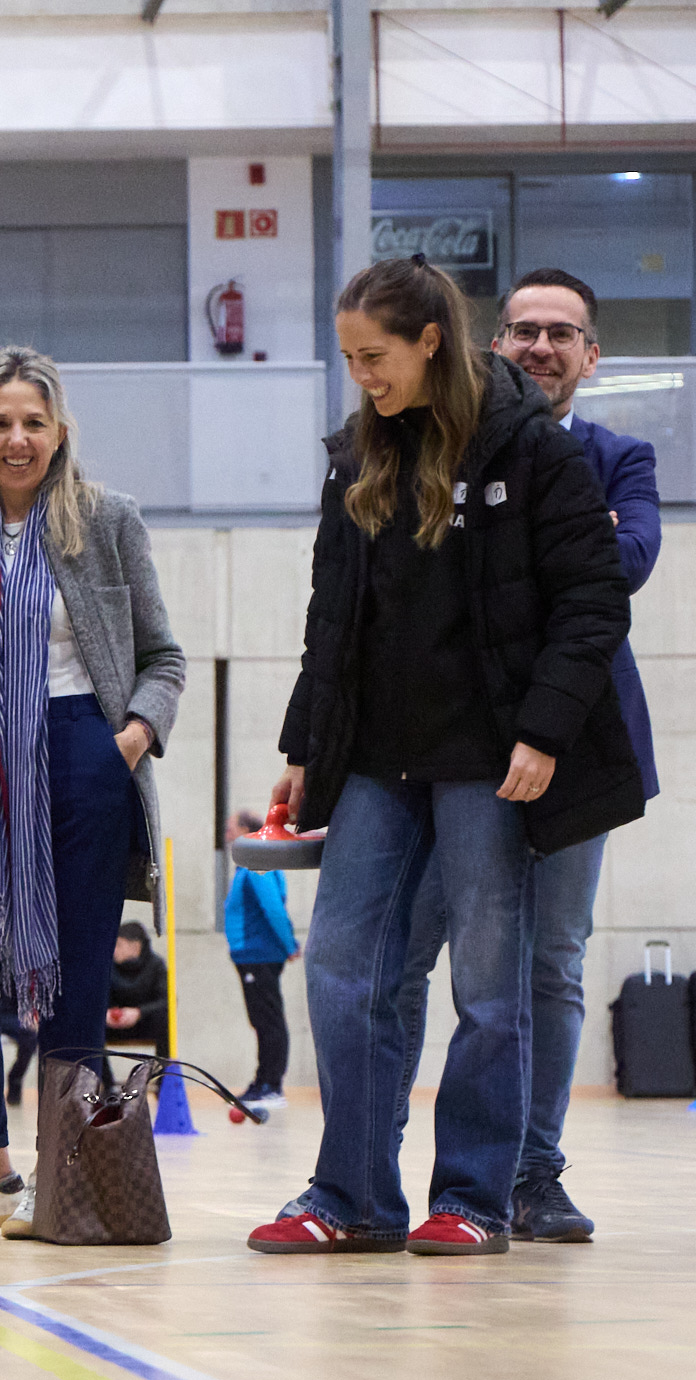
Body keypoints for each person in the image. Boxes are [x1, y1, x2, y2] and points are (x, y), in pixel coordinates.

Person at [253, 256, 636, 1258]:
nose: (361, 376)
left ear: (430, 342)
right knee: (345, 971)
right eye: (348, 358)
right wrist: (306, 747)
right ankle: (352, 1196)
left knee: (491, 988)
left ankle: (473, 1197)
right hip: (378, 763)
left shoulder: (533, 448)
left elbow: (593, 603)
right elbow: (332, 616)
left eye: (373, 356)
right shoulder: (356, 455)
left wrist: (543, 732)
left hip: (492, 764)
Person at [386, 266, 663, 1245]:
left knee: (552, 964)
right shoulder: (446, 450)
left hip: (576, 743)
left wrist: (529, 552)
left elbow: (624, 565)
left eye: (562, 332)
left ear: (592, 356)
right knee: (405, 958)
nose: (541, 346)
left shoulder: (622, 456)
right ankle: (377, 1172)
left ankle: (532, 1173)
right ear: (492, 345)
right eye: (524, 330)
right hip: (451, 745)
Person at [0, 346, 184, 1241]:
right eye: (0, 423)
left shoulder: (107, 519)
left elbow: (162, 658)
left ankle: (63, 1180)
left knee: (75, 975)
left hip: (84, 755)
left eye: (33, 423)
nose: (17, 440)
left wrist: (128, 740)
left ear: (59, 432)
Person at [222, 809, 298, 1106]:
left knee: (268, 1021)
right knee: (262, 1020)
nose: (227, 834)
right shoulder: (248, 864)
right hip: (250, 955)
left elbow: (273, 907)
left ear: (246, 831)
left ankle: (270, 1085)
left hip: (260, 954)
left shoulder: (257, 864)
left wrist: (289, 944)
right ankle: (263, 1081)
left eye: (231, 827)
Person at [105, 921, 168, 1053]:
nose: (114, 950)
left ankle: (161, 1066)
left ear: (135, 946)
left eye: (118, 945)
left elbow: (166, 1001)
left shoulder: (156, 965)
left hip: (145, 1023)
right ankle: (97, 1067)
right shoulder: (107, 965)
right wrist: (105, 1014)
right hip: (111, 1025)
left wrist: (139, 1013)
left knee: (165, 1022)